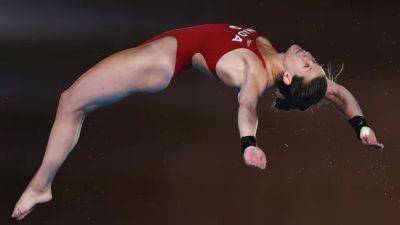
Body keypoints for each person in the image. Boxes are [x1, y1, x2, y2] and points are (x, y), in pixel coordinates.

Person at [12, 23, 384, 220]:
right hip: (169, 43)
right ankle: (42, 183)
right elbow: (339, 94)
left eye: (306, 63)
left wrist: (248, 144)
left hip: (162, 60)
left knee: (70, 102)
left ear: (288, 78)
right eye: (311, 59)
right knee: (76, 105)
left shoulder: (254, 72)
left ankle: (41, 185)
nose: (307, 55)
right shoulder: (275, 57)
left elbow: (247, 107)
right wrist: (361, 127)